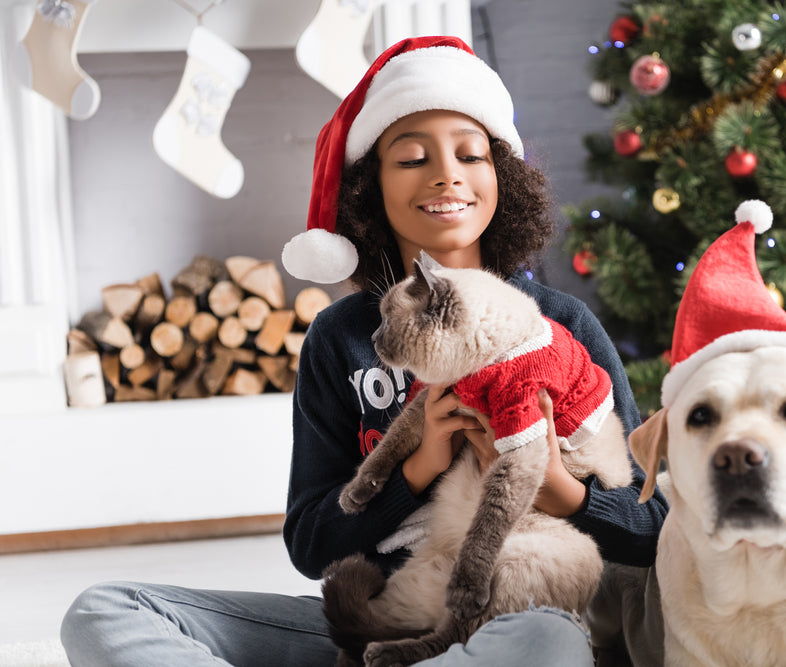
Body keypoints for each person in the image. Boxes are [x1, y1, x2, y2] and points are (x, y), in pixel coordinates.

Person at [61, 36, 669, 667]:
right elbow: (312, 545)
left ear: (502, 177)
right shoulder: (341, 337)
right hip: (380, 618)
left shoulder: (561, 326)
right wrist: (416, 466)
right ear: (370, 188)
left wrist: (559, 489)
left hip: (512, 615)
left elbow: (654, 530)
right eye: (410, 158)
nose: (446, 174)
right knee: (105, 610)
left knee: (546, 643)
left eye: (471, 153)